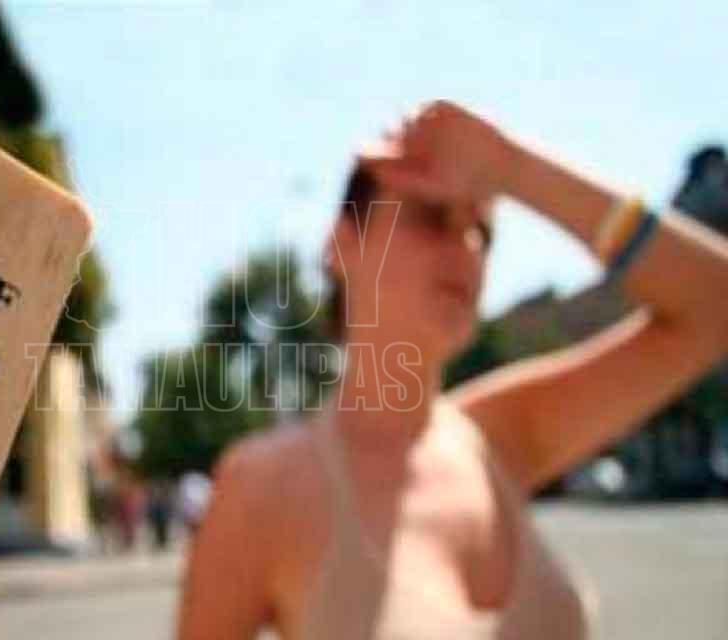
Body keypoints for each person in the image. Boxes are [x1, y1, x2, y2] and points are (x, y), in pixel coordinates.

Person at [177, 100, 728, 639]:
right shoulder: (264, 486)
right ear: (343, 243)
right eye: (434, 215)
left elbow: (714, 307)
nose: (466, 247)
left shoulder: (499, 438)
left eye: (483, 232)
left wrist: (516, 169)